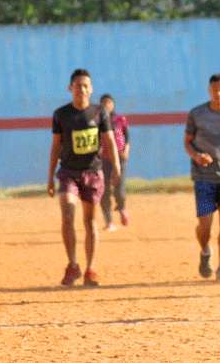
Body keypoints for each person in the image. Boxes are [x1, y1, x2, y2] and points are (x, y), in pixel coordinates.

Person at [48, 69, 121, 287]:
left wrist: (116, 166)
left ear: (91, 89)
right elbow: (55, 146)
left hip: (92, 172)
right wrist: (50, 176)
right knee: (68, 213)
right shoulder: (61, 114)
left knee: (90, 221)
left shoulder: (99, 113)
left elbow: (109, 141)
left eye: (85, 85)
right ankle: (72, 265)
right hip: (68, 172)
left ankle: (90, 269)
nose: (81, 89)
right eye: (77, 85)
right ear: (70, 88)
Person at [184, 73, 220, 282]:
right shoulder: (196, 114)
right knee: (205, 225)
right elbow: (187, 142)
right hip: (204, 177)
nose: (219, 94)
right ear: (209, 91)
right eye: (215, 90)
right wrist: (197, 156)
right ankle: (205, 250)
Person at [99, 93, 131, 231]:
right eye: (104, 103)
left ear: (113, 104)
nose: (107, 105)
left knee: (119, 188)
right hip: (103, 159)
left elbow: (127, 137)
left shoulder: (120, 119)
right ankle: (109, 221)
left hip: (119, 158)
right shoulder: (97, 120)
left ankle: (122, 207)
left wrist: (126, 151)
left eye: (109, 102)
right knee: (104, 190)